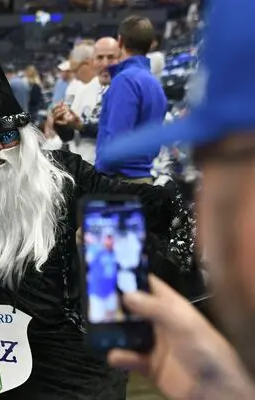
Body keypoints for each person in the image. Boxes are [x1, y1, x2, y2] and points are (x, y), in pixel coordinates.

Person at [0, 12, 174, 400]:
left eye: (7, 136)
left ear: (23, 139)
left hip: (56, 354)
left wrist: (186, 200)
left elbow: (130, 197)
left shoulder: (59, 175)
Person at [100, 0, 255, 397]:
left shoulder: (123, 81)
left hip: (122, 187)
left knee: (123, 307)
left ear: (121, 43)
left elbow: (111, 146)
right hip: (148, 181)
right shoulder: (151, 80)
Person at [95, 16, 167, 182]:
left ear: (120, 41)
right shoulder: (154, 83)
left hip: (121, 182)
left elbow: (117, 143)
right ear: (150, 44)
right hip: (143, 177)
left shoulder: (125, 80)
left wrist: (99, 174)